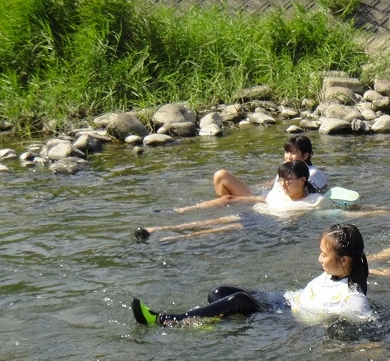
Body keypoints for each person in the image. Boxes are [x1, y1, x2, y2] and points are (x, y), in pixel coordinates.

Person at [131, 223, 372, 325]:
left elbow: (365, 320)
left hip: (284, 318)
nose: (319, 259)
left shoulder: (352, 297)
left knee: (238, 300)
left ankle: (167, 320)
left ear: (344, 260)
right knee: (219, 292)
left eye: (324, 255)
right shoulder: (334, 273)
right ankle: (210, 320)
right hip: (282, 301)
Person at [135, 160, 334, 241]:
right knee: (216, 221)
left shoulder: (316, 201)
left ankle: (172, 239)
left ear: (303, 180)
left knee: (220, 228)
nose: (283, 184)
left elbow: (336, 212)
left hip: (267, 225)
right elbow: (263, 199)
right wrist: (233, 199)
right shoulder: (279, 192)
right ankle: (157, 229)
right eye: (281, 180)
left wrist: (357, 212)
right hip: (255, 215)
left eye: (287, 180)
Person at [179, 136, 327, 213]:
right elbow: (275, 184)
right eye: (286, 152)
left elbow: (306, 192)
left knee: (228, 198)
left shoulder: (313, 173)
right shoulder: (289, 170)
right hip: (268, 197)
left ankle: (188, 210)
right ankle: (221, 210)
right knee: (221, 176)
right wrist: (255, 187)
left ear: (305, 155)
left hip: (274, 202)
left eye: (293, 153)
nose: (288, 156)